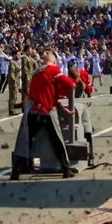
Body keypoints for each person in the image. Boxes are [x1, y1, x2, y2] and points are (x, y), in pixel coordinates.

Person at [11, 52, 77, 180]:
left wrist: (62, 108)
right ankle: (66, 169)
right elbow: (70, 84)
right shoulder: (53, 70)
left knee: (26, 142)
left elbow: (48, 93)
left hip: (32, 112)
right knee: (57, 140)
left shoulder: (37, 72)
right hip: (46, 112)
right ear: (54, 60)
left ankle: (16, 171)